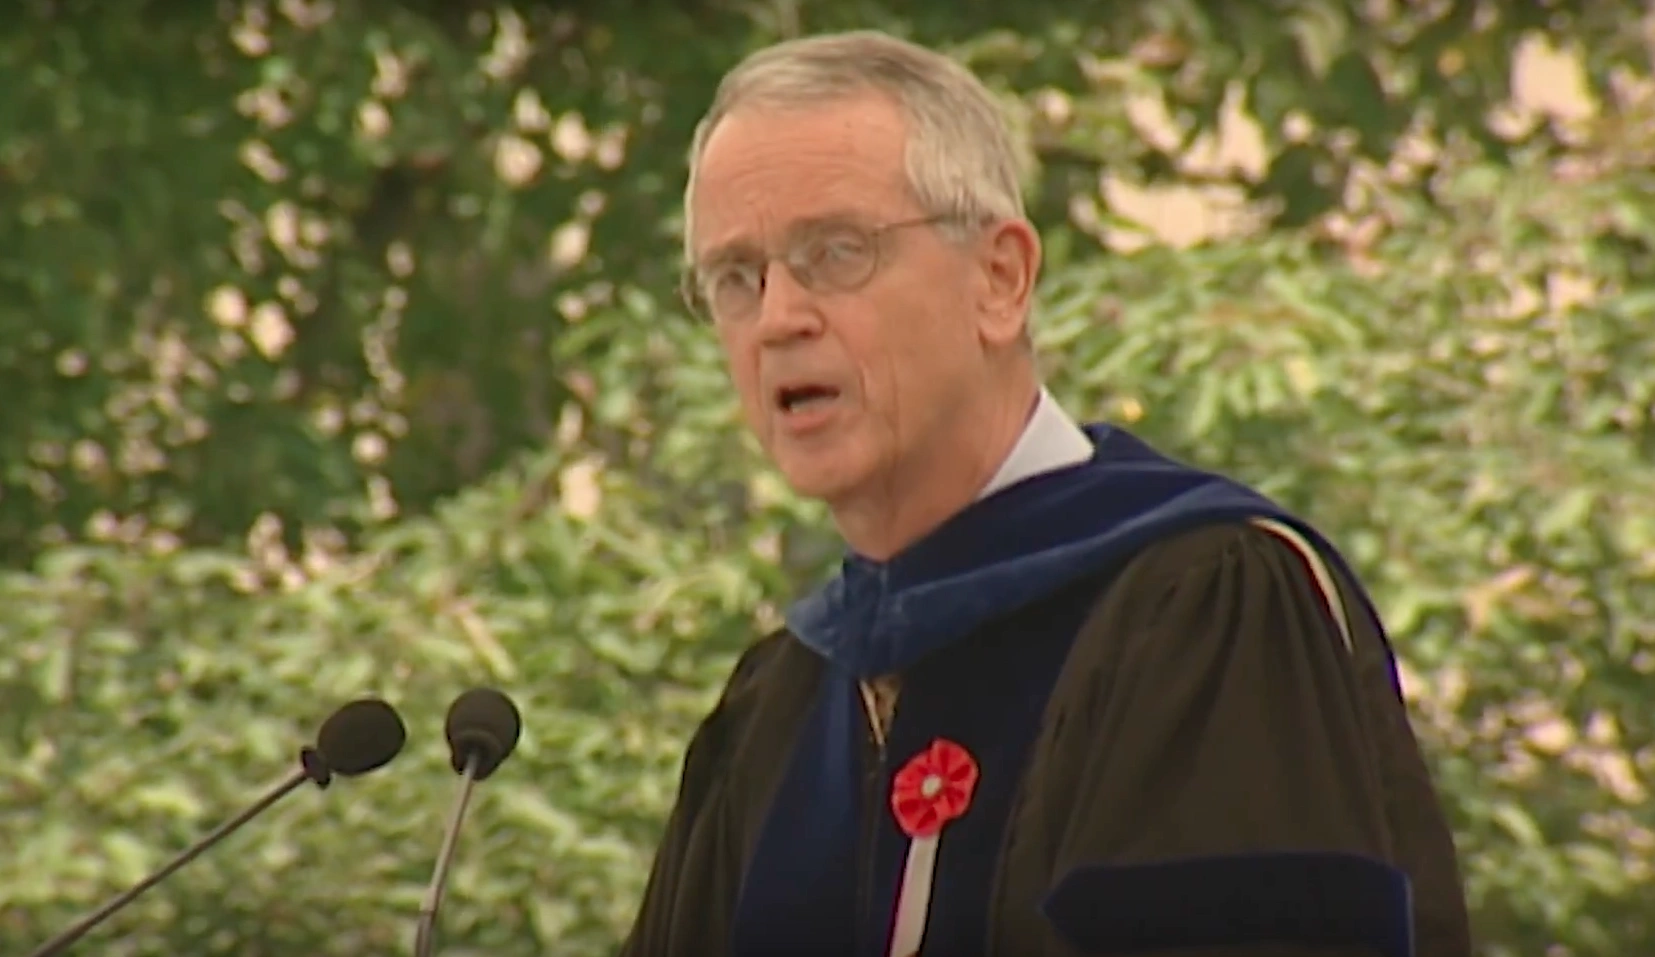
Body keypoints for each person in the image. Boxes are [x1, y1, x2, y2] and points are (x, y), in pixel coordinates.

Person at [621, 29, 1472, 957]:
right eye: (736, 277)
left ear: (1000, 279)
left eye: (835, 252)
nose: (778, 317)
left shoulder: (1207, 608)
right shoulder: (778, 703)